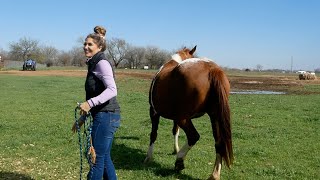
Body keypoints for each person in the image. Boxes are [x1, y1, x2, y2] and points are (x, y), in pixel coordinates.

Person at [72, 26, 121, 180]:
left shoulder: (101, 62)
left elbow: (112, 90)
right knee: (104, 158)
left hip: (106, 116)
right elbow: (96, 92)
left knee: (96, 159)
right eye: (85, 44)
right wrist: (82, 118)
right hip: (106, 116)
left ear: (99, 47)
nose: (86, 47)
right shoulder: (93, 62)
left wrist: (90, 103)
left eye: (90, 44)